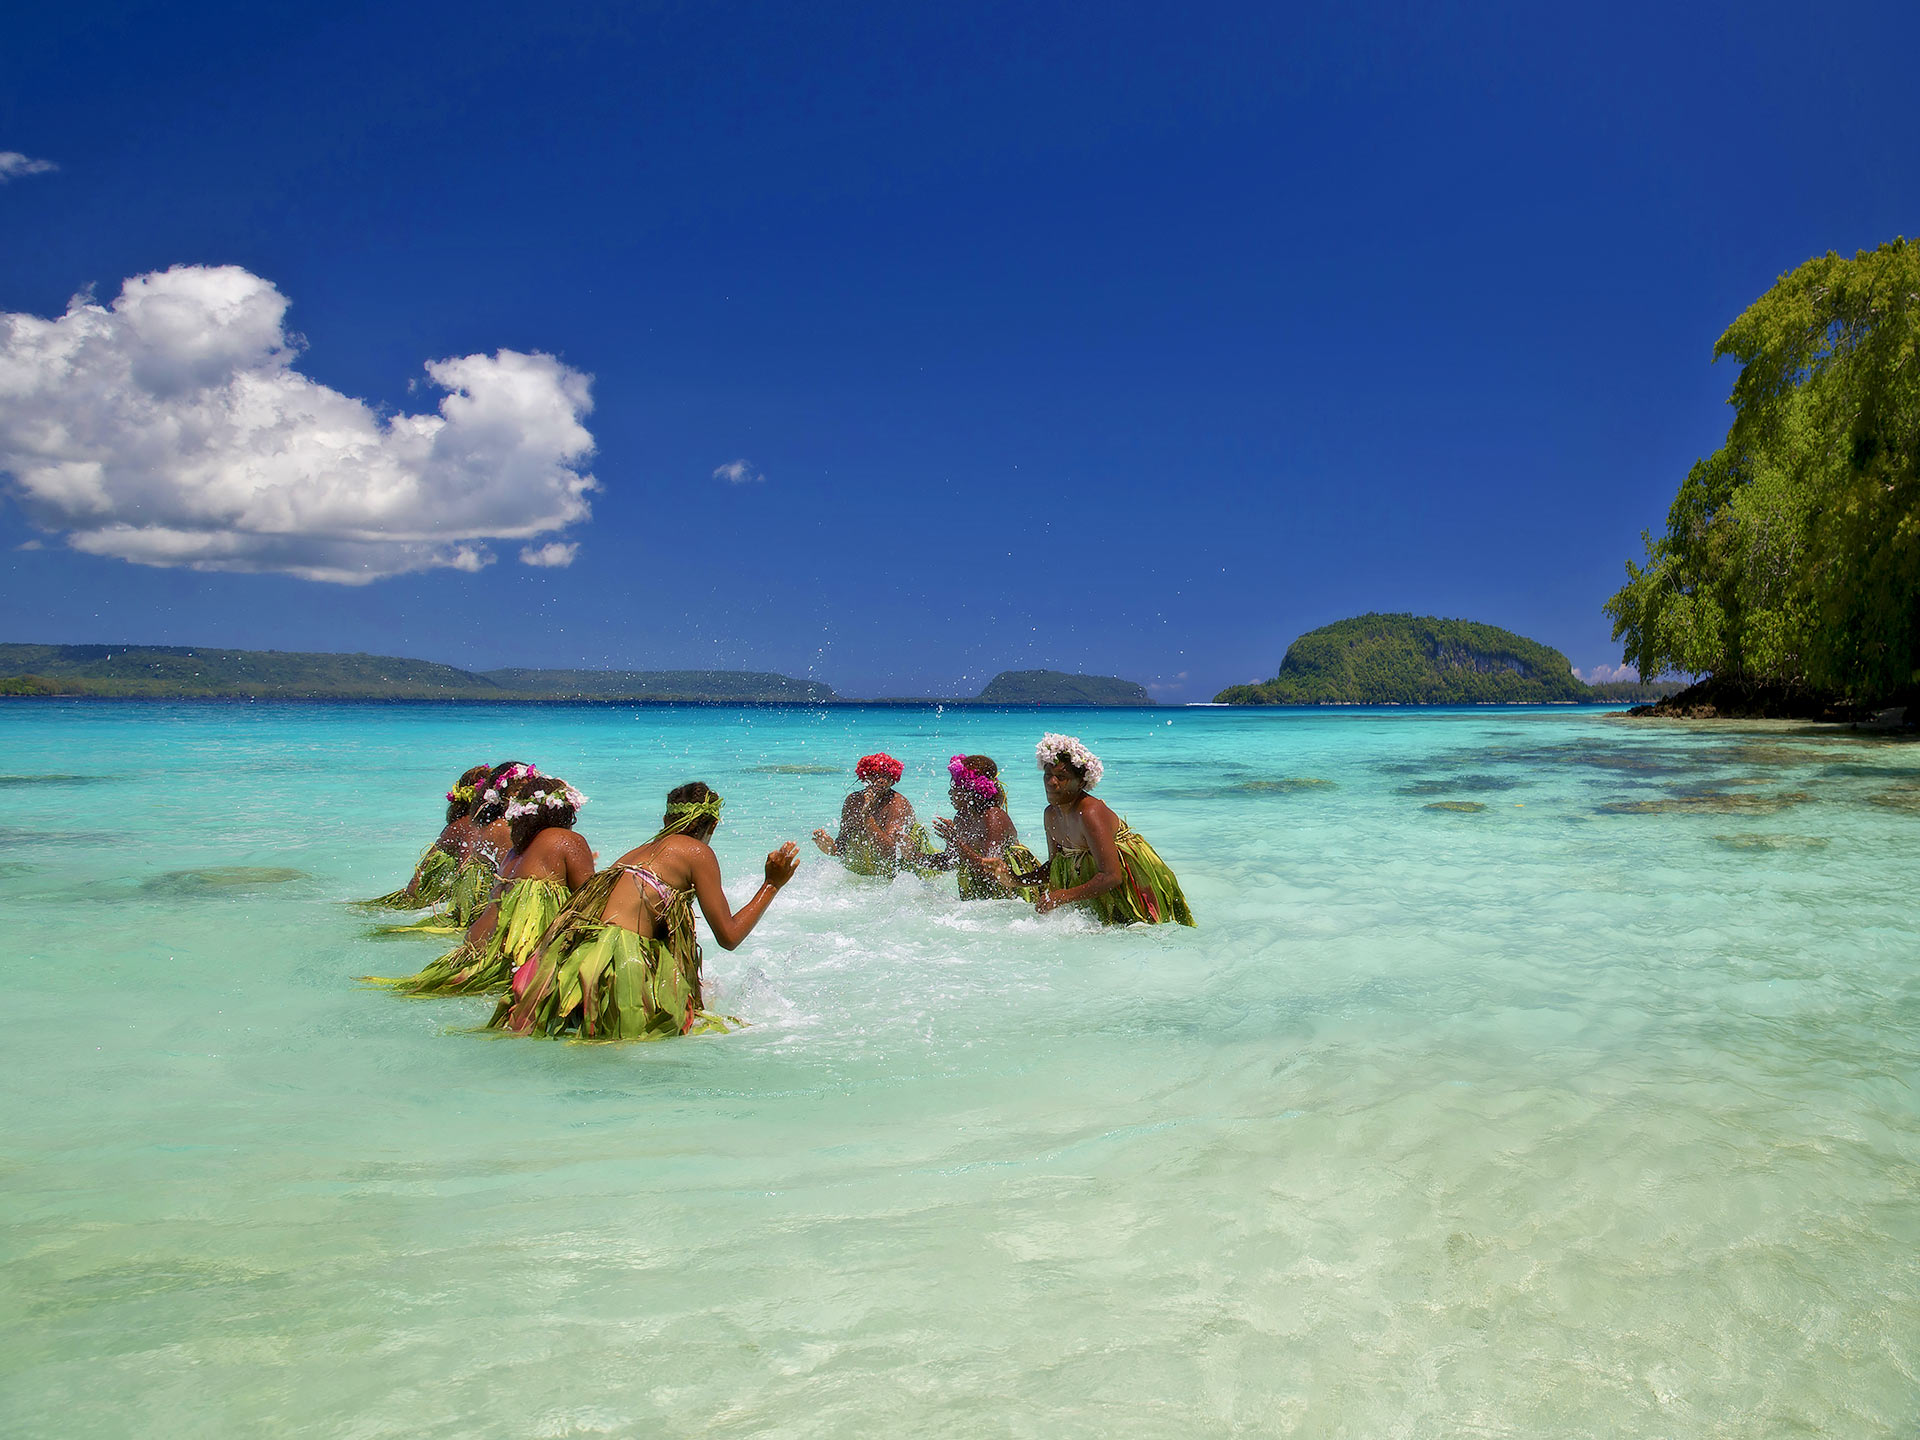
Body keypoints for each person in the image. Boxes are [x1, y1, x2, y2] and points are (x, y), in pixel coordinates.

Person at [491, 783, 800, 1040]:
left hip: (573, 972)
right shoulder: (696, 852)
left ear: (666, 819)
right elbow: (729, 936)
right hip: (618, 971)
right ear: (713, 824)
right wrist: (772, 885)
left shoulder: (634, 854)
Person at [370, 773, 594, 996]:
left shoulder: (514, 853)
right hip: (506, 959)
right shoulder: (567, 840)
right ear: (567, 811)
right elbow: (591, 902)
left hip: (473, 951)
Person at [989, 733, 1195, 926]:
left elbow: (1112, 876)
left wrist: (1062, 896)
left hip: (1128, 883)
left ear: (1081, 782)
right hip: (1092, 885)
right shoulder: (1051, 814)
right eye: (1048, 775)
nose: (1052, 782)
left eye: (1062, 777)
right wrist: (1016, 881)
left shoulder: (1090, 812)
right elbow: (1054, 866)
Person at [372, 759, 535, 937]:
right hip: (461, 911)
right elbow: (468, 872)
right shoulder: (487, 828)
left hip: (425, 900)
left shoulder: (476, 825)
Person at [359, 763, 492, 909]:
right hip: (444, 904)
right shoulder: (470, 826)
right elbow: (466, 871)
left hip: (419, 898)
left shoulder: (458, 824)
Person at [924, 754, 1041, 900]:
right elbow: (950, 861)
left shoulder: (993, 818)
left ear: (970, 791)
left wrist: (957, 842)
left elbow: (992, 872)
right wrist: (915, 856)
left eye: (954, 787)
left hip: (1009, 893)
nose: (950, 793)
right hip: (981, 894)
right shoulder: (962, 817)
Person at [811, 753, 934, 876]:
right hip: (871, 872)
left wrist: (867, 816)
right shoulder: (853, 801)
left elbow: (890, 852)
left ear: (893, 780)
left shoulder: (897, 804)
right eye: (875, 775)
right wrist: (830, 848)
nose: (881, 780)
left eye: (885, 776)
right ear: (865, 778)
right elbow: (842, 846)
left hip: (907, 874)